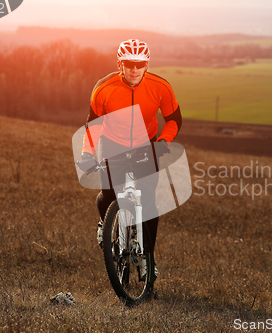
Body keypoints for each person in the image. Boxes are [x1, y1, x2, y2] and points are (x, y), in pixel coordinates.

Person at [76, 39, 182, 281]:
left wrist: (164, 142)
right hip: (112, 144)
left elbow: (174, 118)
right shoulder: (104, 88)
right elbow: (93, 126)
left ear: (147, 65)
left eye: (140, 64)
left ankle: (148, 258)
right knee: (110, 193)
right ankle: (106, 223)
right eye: (129, 64)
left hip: (147, 145)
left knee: (149, 202)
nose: (135, 69)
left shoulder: (160, 87)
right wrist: (86, 153)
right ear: (120, 64)